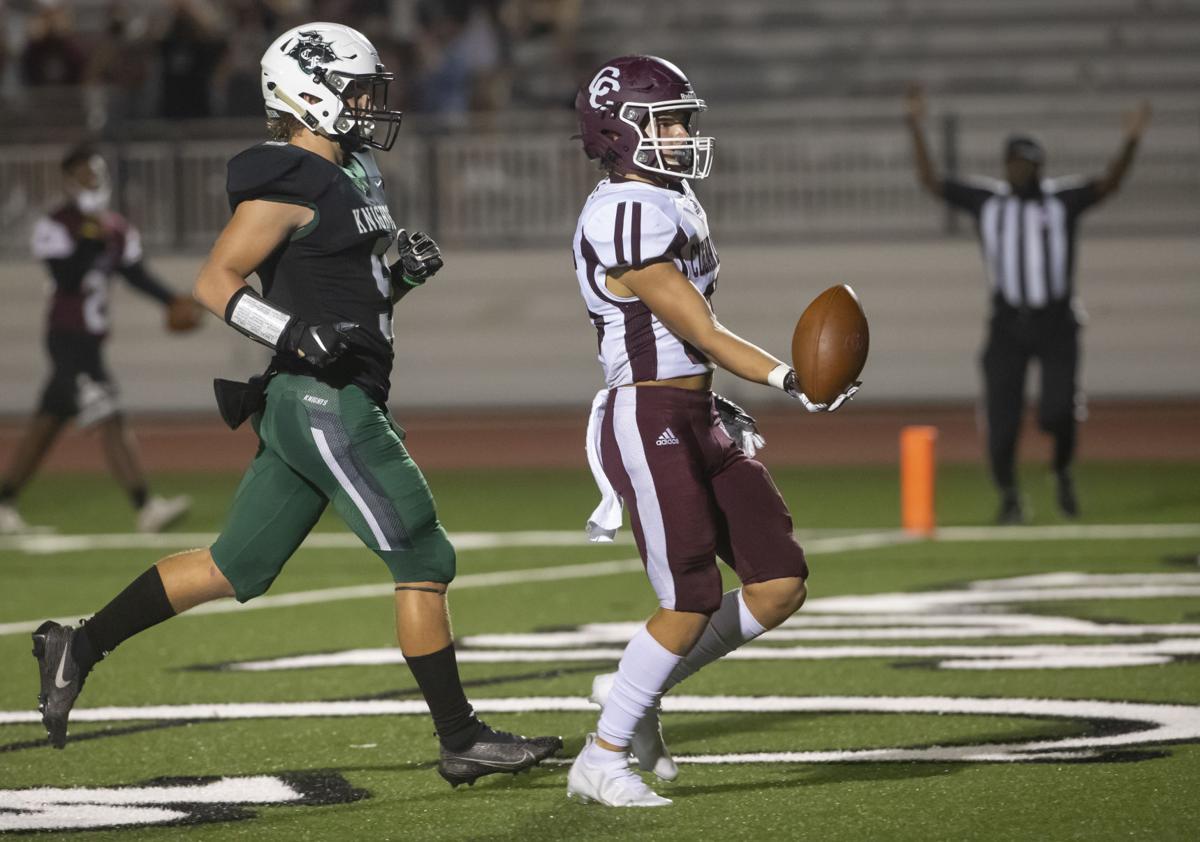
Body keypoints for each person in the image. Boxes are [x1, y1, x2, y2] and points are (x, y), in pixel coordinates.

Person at [30, 22, 561, 786]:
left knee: (232, 564)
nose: (373, 104)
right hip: (325, 402)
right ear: (309, 92)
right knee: (423, 554)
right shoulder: (286, 178)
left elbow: (350, 305)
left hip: (309, 398)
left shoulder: (349, 174)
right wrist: (288, 331)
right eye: (358, 90)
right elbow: (216, 283)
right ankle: (461, 738)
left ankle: (74, 648)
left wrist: (400, 279)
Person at [565, 55, 858, 807]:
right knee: (690, 595)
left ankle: (637, 694)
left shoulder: (671, 198)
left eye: (681, 118)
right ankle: (600, 758)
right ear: (618, 130)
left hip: (699, 413)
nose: (681, 132)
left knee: (780, 581)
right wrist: (789, 379)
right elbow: (696, 324)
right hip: (649, 415)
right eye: (662, 120)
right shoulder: (622, 210)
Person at [904, 86, 1151, 524]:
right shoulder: (989, 204)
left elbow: (1109, 184)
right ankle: (1011, 495)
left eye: (1028, 163)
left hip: (1057, 320)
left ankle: (1060, 469)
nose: (1020, 170)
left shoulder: (1061, 202)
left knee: (1058, 411)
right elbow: (931, 181)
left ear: (1039, 166)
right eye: (1015, 163)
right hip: (1007, 325)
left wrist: (1131, 139)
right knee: (1002, 423)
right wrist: (915, 126)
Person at [0, 146, 198, 536]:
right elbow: (67, 276)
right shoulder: (56, 224)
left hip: (88, 341)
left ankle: (4, 502)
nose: (92, 181)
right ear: (69, 179)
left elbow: (135, 273)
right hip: (67, 339)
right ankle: (145, 506)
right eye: (84, 174)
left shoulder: (114, 227)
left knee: (47, 425)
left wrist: (172, 300)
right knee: (110, 415)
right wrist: (91, 236)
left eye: (96, 173)